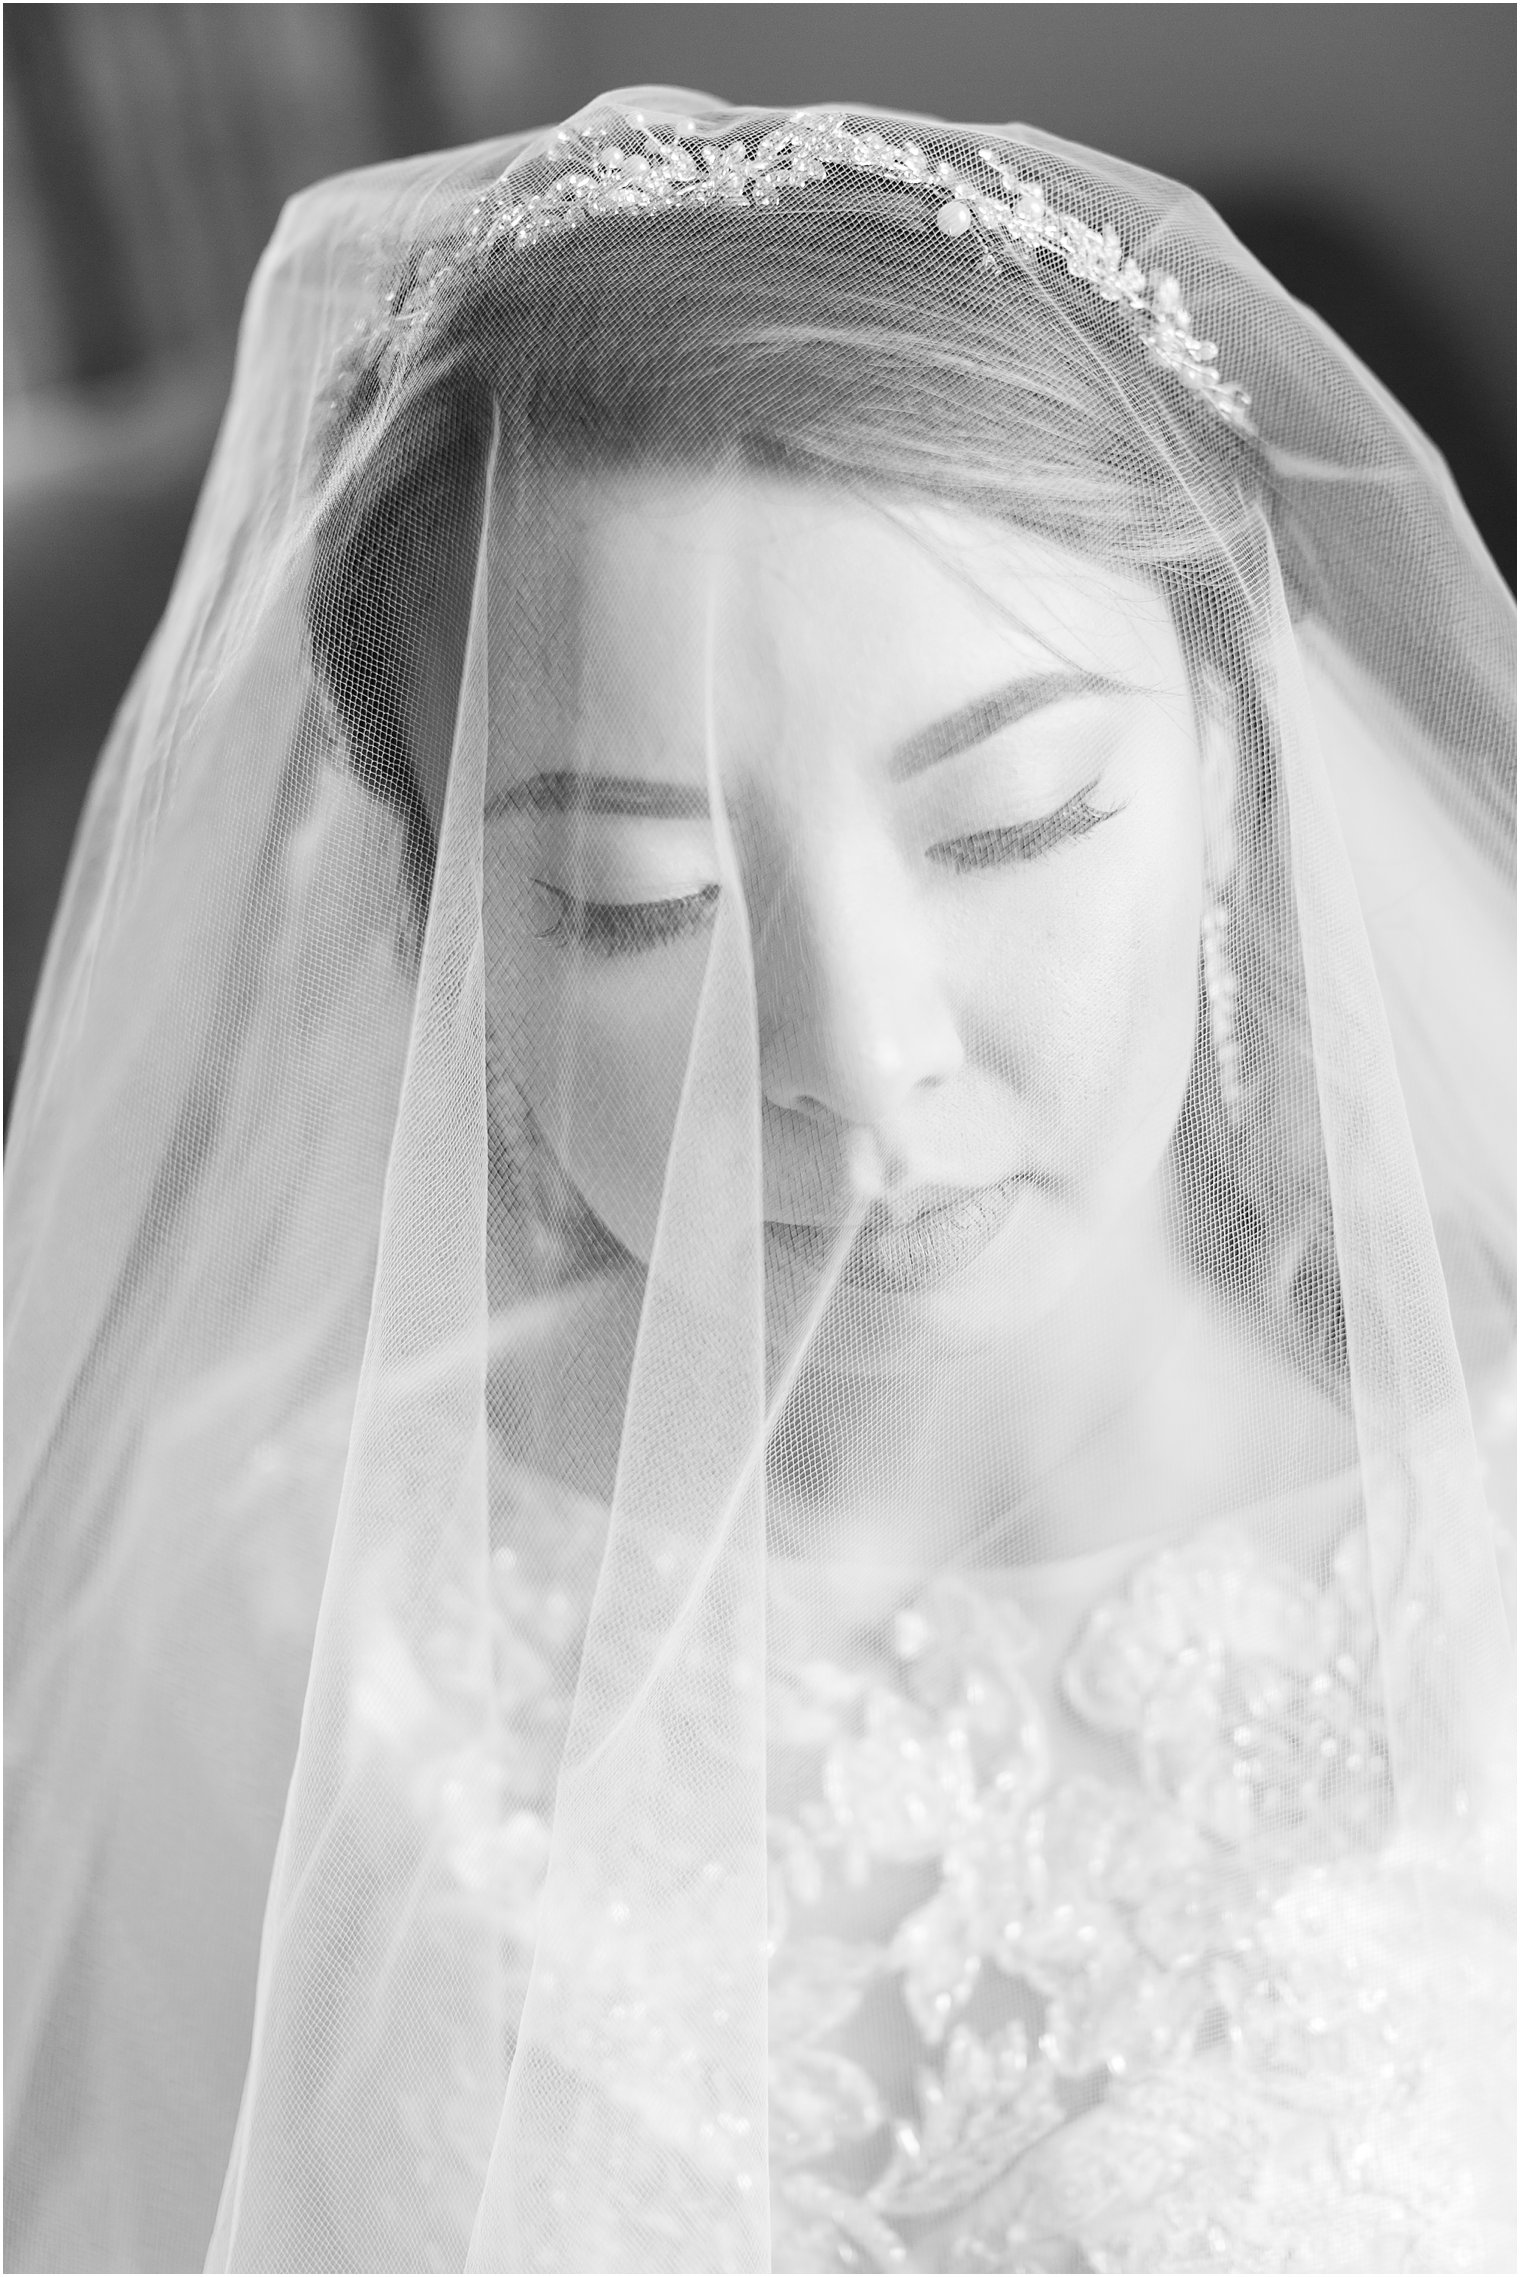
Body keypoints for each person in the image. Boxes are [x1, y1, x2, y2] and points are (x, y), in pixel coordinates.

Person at [5, 92, 1513, 2275]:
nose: (854, 1053)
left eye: (1004, 823)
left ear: (1233, 769)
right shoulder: (293, 1604)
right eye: (637, 899)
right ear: (452, 950)